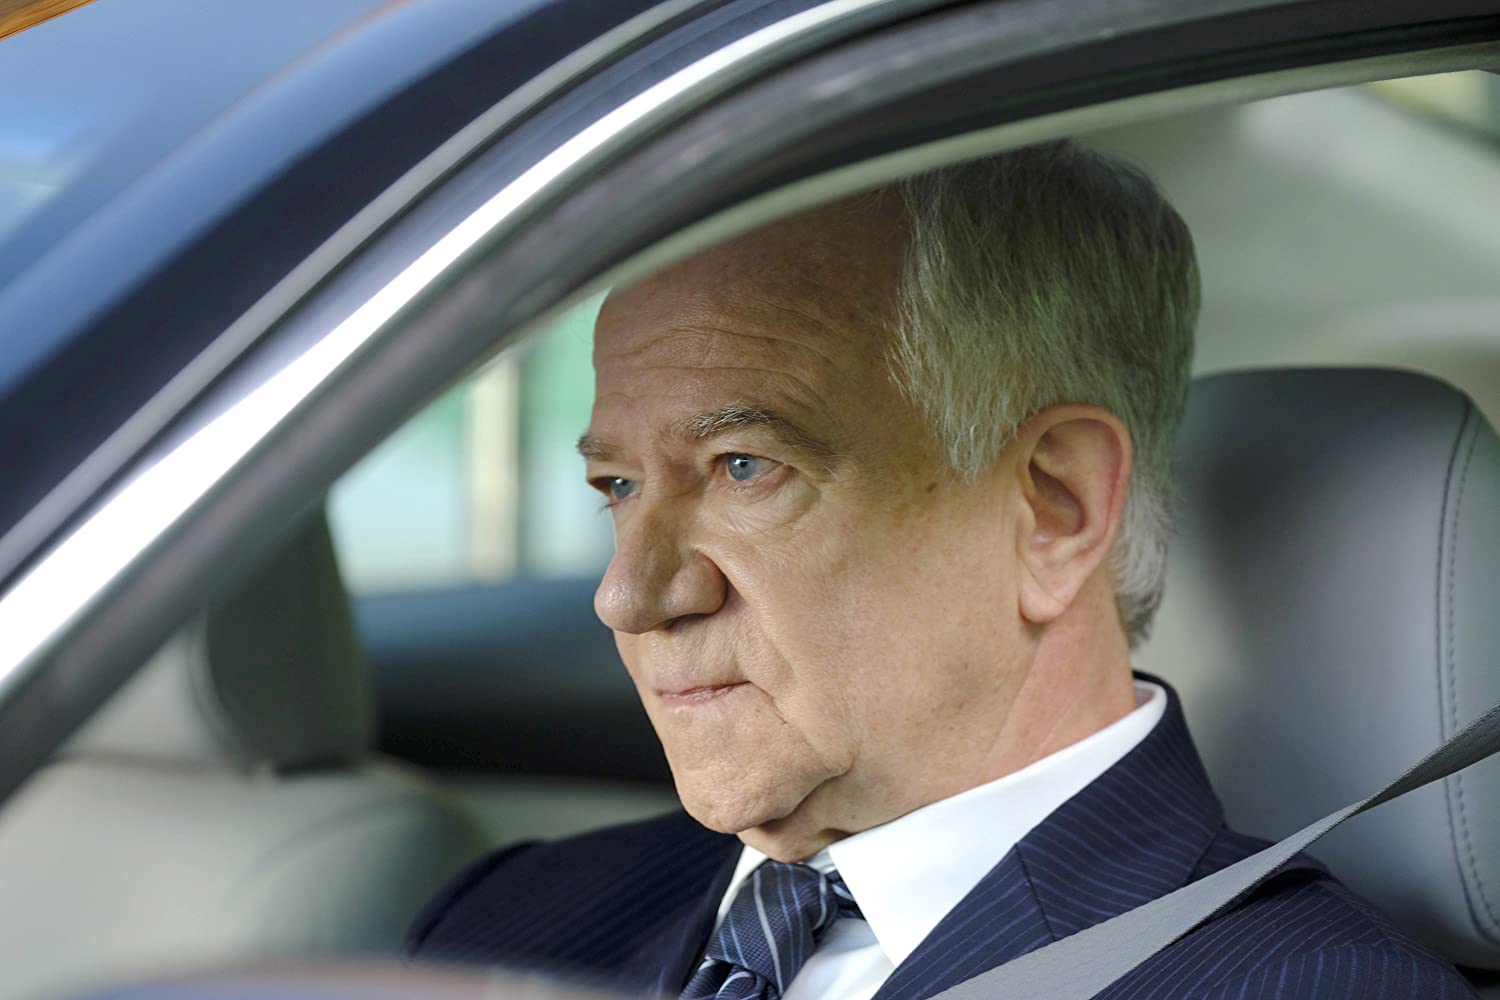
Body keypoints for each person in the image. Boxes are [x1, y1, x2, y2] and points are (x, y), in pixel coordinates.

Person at [405, 142, 1473, 998]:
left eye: (744, 467)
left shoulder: (1317, 985)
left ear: (1054, 507)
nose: (628, 595)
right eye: (618, 486)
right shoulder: (504, 924)